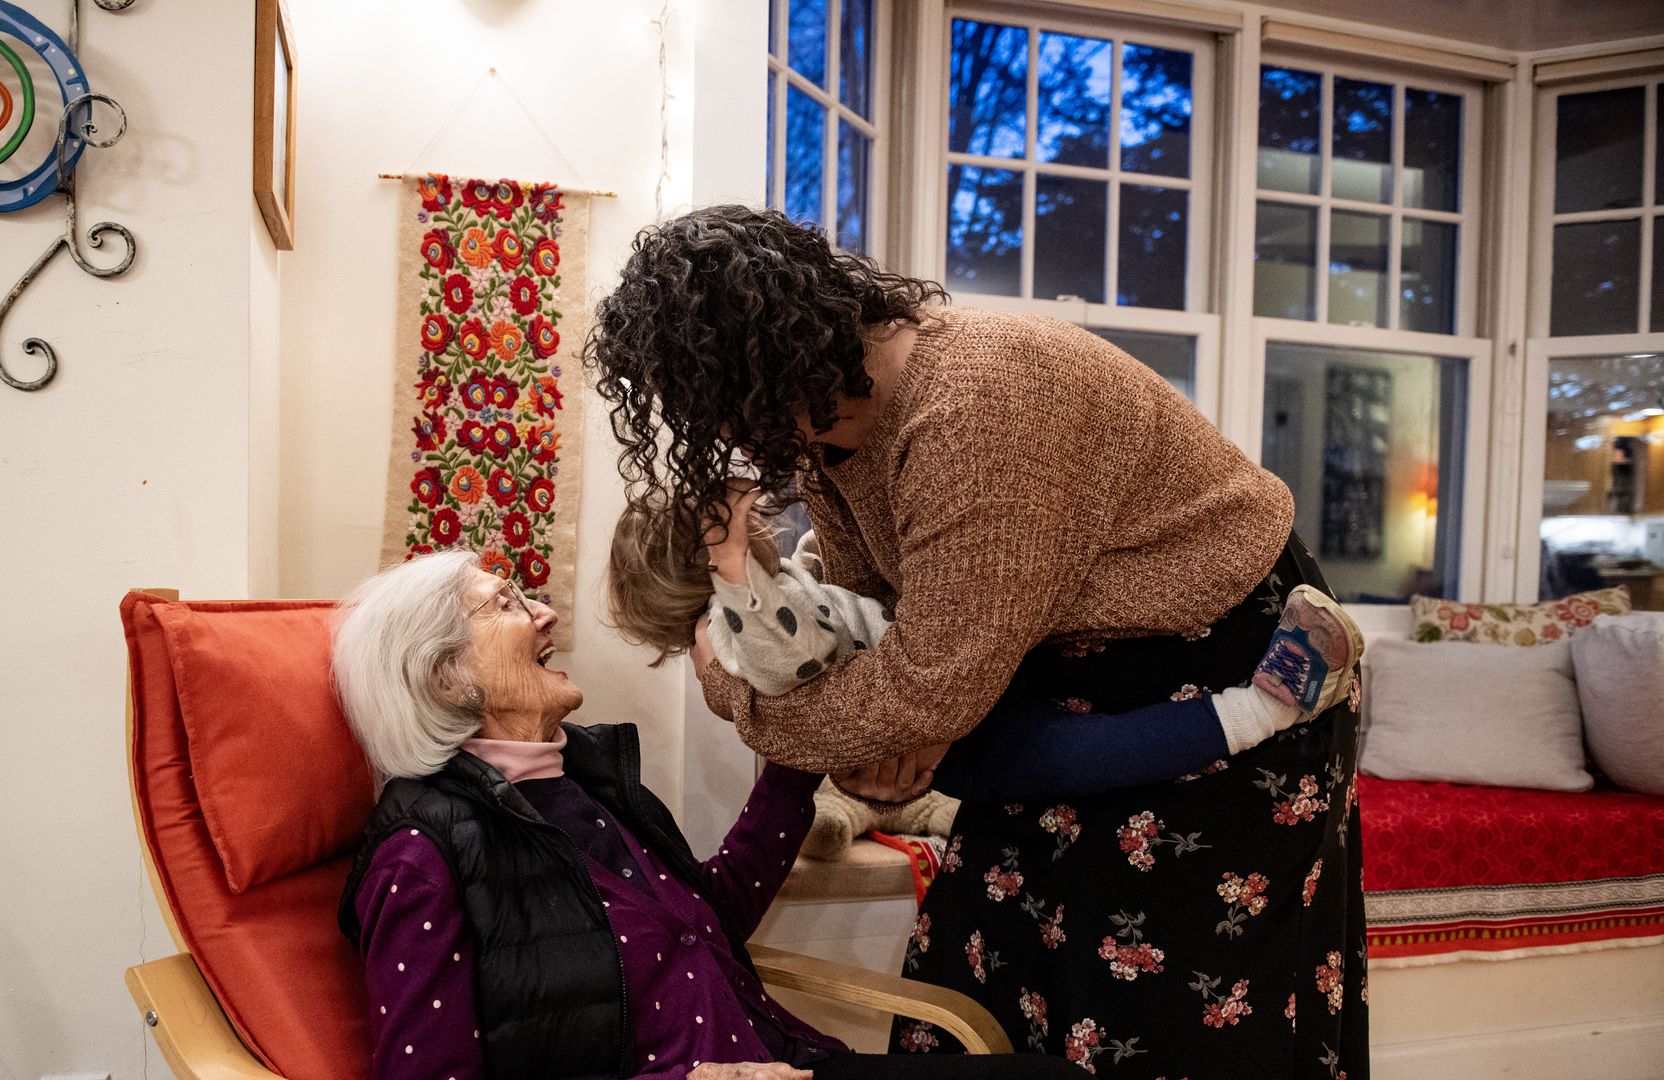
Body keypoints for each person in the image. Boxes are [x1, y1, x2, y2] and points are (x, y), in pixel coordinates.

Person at [583, 205, 1369, 1078]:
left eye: (712, 403)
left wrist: (738, 692)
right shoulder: (830, 432)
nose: (722, 437)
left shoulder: (976, 405)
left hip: (1210, 661)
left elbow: (924, 686)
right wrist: (884, 731)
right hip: (1040, 675)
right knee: (997, 965)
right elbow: (877, 616)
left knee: (1163, 1009)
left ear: (762, 367)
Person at [331, 551, 1088, 1080]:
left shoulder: (584, 782)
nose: (545, 611)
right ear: (444, 672)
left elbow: (712, 915)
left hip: (786, 1058)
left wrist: (799, 756)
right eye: (505, 603)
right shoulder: (420, 852)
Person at [604, 486, 1362, 803]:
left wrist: (778, 566)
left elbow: (818, 611)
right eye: (733, 538)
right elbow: (788, 656)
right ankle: (1270, 707)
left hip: (946, 691)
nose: (752, 521)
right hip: (958, 741)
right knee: (1078, 754)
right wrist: (735, 568)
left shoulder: (755, 600)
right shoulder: (732, 631)